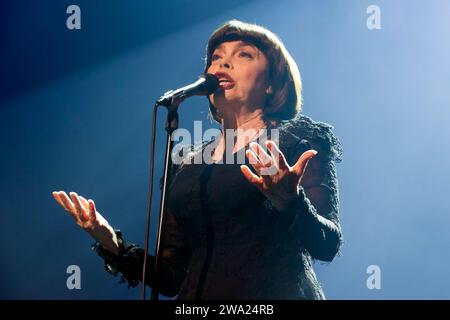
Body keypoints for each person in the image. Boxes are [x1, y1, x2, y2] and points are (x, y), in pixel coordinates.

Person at [52, 20, 343, 300]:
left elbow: (327, 244)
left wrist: (292, 202)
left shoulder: (297, 141)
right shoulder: (189, 163)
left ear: (271, 82)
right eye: (216, 58)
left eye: (243, 54)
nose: (222, 64)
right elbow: (170, 275)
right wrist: (111, 242)